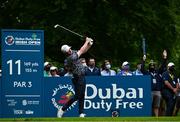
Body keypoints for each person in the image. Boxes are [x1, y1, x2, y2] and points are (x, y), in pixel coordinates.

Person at [57, 37, 93, 118]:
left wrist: (89, 44)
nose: (70, 50)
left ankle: (81, 113)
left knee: (82, 95)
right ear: (66, 52)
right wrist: (86, 41)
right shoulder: (70, 58)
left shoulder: (72, 53)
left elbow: (84, 50)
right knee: (77, 96)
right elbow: (81, 50)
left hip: (82, 76)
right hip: (77, 77)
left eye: (69, 49)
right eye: (69, 50)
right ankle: (62, 109)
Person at [141, 50, 167, 117]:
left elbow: (162, 66)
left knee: (157, 106)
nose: (152, 66)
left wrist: (164, 58)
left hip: (158, 91)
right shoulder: (147, 73)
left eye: (153, 65)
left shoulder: (158, 72)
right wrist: (143, 60)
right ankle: (149, 117)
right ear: (149, 66)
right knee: (149, 105)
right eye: (151, 65)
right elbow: (142, 69)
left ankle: (156, 117)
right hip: (150, 91)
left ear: (155, 66)